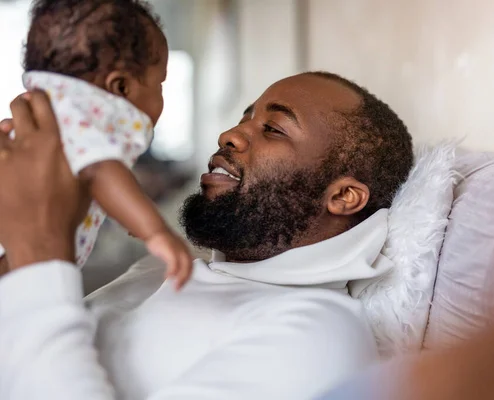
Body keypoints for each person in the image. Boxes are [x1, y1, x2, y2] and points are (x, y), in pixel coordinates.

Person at [0, 71, 414, 399]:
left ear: (342, 196)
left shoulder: (318, 330)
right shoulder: (159, 269)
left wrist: (41, 247)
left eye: (274, 129)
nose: (230, 135)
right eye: (244, 118)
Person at [0, 0, 193, 288]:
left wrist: (131, 214)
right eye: (159, 85)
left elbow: (94, 183)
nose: (162, 98)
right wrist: (156, 231)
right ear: (121, 87)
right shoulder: (77, 120)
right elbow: (100, 172)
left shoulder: (53, 113)